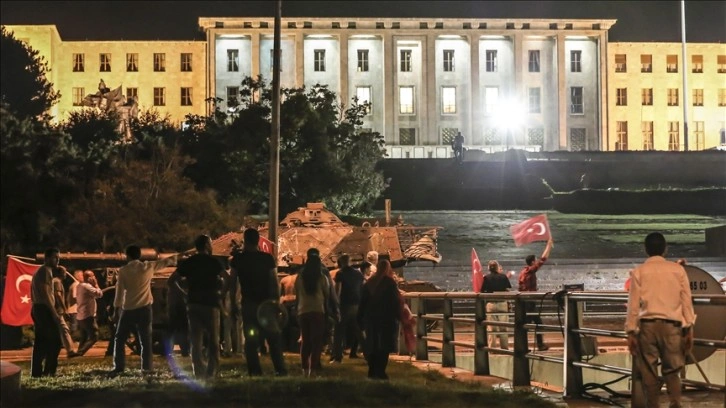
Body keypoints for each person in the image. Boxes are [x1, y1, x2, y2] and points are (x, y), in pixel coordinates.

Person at [625, 232, 696, 408]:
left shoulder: (639, 271)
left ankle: (653, 405)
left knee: (649, 372)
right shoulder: (678, 270)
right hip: (672, 327)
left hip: (647, 327)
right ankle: (675, 403)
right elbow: (686, 301)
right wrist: (689, 329)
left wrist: (631, 332)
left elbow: (633, 305)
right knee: (672, 370)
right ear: (665, 249)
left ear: (645, 249)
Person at [110, 245, 176, 376]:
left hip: (128, 308)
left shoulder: (123, 271)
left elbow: (119, 292)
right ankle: (147, 368)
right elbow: (164, 263)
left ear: (127, 256)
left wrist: (116, 309)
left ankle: (119, 366)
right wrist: (174, 258)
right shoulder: (147, 267)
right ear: (139, 255)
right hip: (145, 308)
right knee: (145, 339)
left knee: (120, 338)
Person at [231, 228, 287, 376]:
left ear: (245, 240)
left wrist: (232, 302)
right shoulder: (267, 258)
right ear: (258, 241)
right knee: (273, 338)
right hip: (266, 304)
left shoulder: (238, 259)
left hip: (248, 303)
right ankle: (280, 370)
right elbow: (274, 281)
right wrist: (275, 302)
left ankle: (255, 371)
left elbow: (232, 283)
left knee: (250, 339)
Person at [176, 235, 227, 379]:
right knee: (213, 340)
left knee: (196, 340)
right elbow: (227, 278)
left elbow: (173, 280)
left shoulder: (189, 262)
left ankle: (198, 371)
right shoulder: (214, 262)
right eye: (210, 243)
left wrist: (185, 293)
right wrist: (221, 294)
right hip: (211, 303)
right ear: (206, 245)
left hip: (193, 303)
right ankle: (212, 371)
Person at [358, 259, 402, 380]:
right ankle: (381, 371)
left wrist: (360, 318)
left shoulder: (369, 282)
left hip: (371, 318)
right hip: (386, 319)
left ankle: (372, 370)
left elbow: (363, 302)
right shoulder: (390, 283)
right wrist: (399, 316)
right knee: (384, 345)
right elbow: (395, 301)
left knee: (372, 344)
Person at [30, 248, 64, 377]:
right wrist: (54, 312)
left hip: (37, 308)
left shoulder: (39, 271)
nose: (57, 260)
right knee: (55, 341)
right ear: (47, 258)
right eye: (55, 257)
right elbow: (46, 294)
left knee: (40, 341)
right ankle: (50, 370)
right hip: (43, 309)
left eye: (58, 257)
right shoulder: (45, 270)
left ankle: (37, 372)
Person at [295, 254, 329, 377]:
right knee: (316, 342)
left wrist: (297, 310)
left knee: (305, 341)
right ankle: (313, 370)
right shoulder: (322, 278)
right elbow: (327, 295)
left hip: (303, 311)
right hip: (317, 310)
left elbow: (297, 295)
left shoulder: (300, 278)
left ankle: (304, 369)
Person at [517, 238, 553, 351]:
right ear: (532, 262)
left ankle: (534, 345)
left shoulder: (523, 272)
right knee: (536, 323)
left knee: (531, 323)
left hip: (525, 301)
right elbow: (543, 259)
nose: (536, 261)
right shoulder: (530, 271)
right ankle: (538, 345)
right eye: (535, 260)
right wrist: (548, 245)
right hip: (530, 301)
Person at [331, 254, 365, 362]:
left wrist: (336, 306)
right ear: (350, 261)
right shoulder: (358, 274)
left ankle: (337, 357)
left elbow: (337, 291)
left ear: (341, 262)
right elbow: (362, 289)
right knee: (359, 332)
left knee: (339, 331)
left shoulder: (340, 273)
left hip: (344, 306)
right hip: (357, 305)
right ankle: (369, 355)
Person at [482, 260, 512, 350]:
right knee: (504, 327)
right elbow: (507, 289)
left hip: (491, 304)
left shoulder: (486, 278)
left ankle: (492, 348)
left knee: (491, 328)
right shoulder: (503, 277)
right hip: (502, 303)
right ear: (497, 267)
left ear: (488, 268)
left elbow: (483, 291)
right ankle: (504, 348)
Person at [52, 266, 79, 358]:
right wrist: (64, 308)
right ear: (60, 273)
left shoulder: (55, 281)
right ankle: (70, 351)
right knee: (64, 329)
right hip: (58, 310)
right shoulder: (57, 282)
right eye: (64, 272)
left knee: (58, 330)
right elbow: (58, 295)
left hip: (55, 310)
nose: (65, 274)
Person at [75, 270, 103, 355]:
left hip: (80, 315)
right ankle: (80, 352)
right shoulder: (87, 287)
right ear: (88, 278)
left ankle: (79, 354)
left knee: (83, 337)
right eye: (92, 276)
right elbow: (99, 294)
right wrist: (96, 284)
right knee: (94, 336)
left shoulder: (80, 286)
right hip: (87, 315)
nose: (94, 277)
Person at [164, 269, 190, 357]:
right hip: (177, 305)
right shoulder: (177, 281)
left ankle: (183, 350)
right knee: (179, 329)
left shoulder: (177, 281)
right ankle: (183, 350)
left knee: (176, 329)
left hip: (177, 305)